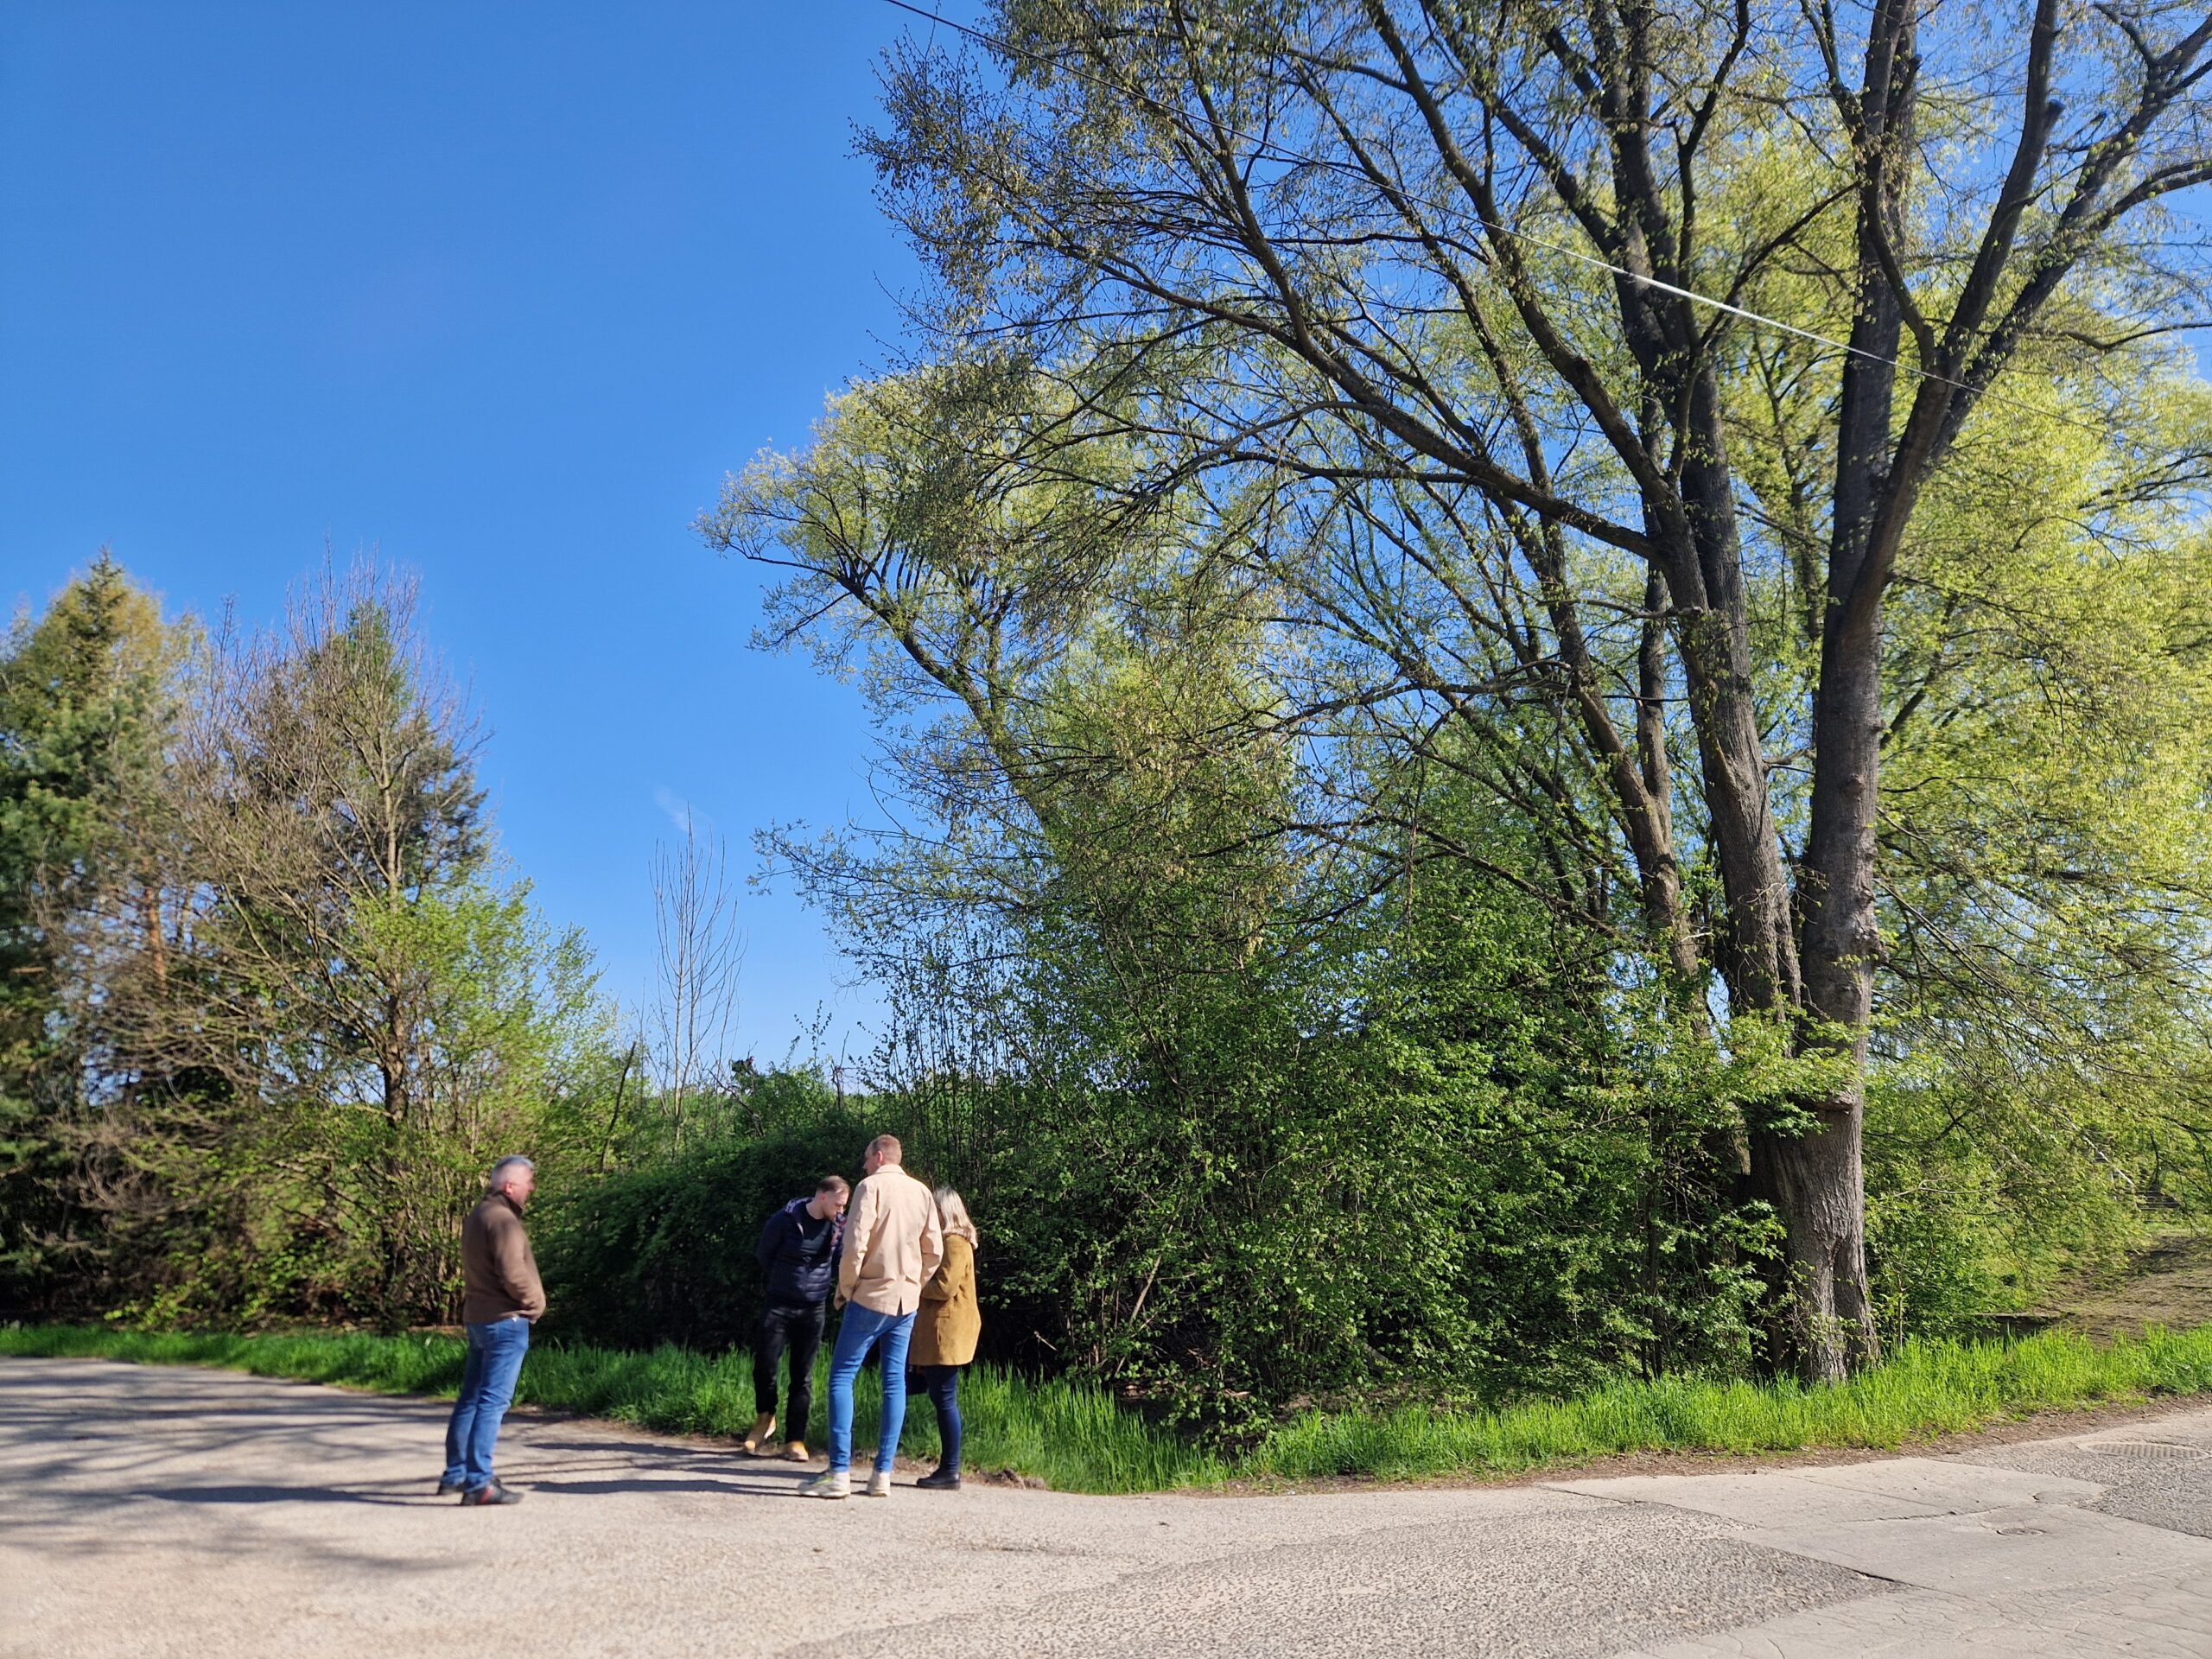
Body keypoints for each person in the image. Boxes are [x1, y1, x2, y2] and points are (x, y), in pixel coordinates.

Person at [804, 1135, 942, 1500]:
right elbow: (935, 1250)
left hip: (870, 1295)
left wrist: (846, 1288)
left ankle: (839, 1473)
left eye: (866, 1158)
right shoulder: (922, 1192)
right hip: (906, 1300)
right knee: (894, 1381)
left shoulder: (870, 1187)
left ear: (879, 1156)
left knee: (841, 1376)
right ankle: (882, 1474)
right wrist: (914, 1284)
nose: (863, 1164)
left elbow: (855, 1245)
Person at [441, 1155, 545, 1506]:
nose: (532, 1187)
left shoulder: (478, 1215)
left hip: (479, 1319)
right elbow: (512, 1273)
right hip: (506, 1321)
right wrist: (535, 1304)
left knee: (471, 1398)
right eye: (529, 1181)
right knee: (491, 1401)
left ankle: (456, 1474)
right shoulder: (502, 1220)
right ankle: (479, 1483)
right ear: (509, 1185)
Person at [745, 1173, 849, 1459]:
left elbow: (842, 1261)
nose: (842, 1211)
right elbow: (764, 1255)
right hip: (779, 1303)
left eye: (844, 1207)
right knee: (765, 1366)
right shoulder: (785, 1219)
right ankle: (765, 1419)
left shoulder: (840, 1226)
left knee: (801, 1376)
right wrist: (784, 1281)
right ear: (823, 1196)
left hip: (813, 1308)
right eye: (839, 1204)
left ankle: (795, 1440)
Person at [906, 1186, 980, 1491]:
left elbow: (945, 1288)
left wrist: (913, 1283)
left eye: (932, 1210)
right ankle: (947, 1468)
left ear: (944, 1211)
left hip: (945, 1334)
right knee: (922, 1391)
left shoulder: (955, 1242)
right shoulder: (952, 1241)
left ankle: (950, 1470)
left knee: (944, 1400)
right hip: (938, 1333)